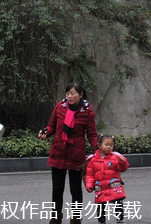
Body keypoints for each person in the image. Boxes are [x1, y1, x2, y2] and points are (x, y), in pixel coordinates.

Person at [39, 82, 100, 224]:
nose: (69, 96)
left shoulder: (87, 111)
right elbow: (52, 126)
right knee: (57, 189)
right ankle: (56, 218)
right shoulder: (60, 107)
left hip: (76, 155)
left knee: (76, 190)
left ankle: (76, 219)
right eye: (67, 93)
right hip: (58, 153)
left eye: (72, 93)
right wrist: (46, 132)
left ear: (80, 95)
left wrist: (98, 150)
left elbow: (92, 133)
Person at [85, 135, 130, 223]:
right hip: (100, 187)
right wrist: (89, 185)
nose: (109, 147)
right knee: (101, 206)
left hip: (114, 186)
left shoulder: (115, 157)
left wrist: (122, 162)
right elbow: (90, 175)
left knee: (118, 203)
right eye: (106, 144)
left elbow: (122, 169)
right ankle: (101, 221)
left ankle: (120, 220)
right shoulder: (93, 160)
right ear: (99, 145)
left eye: (111, 145)